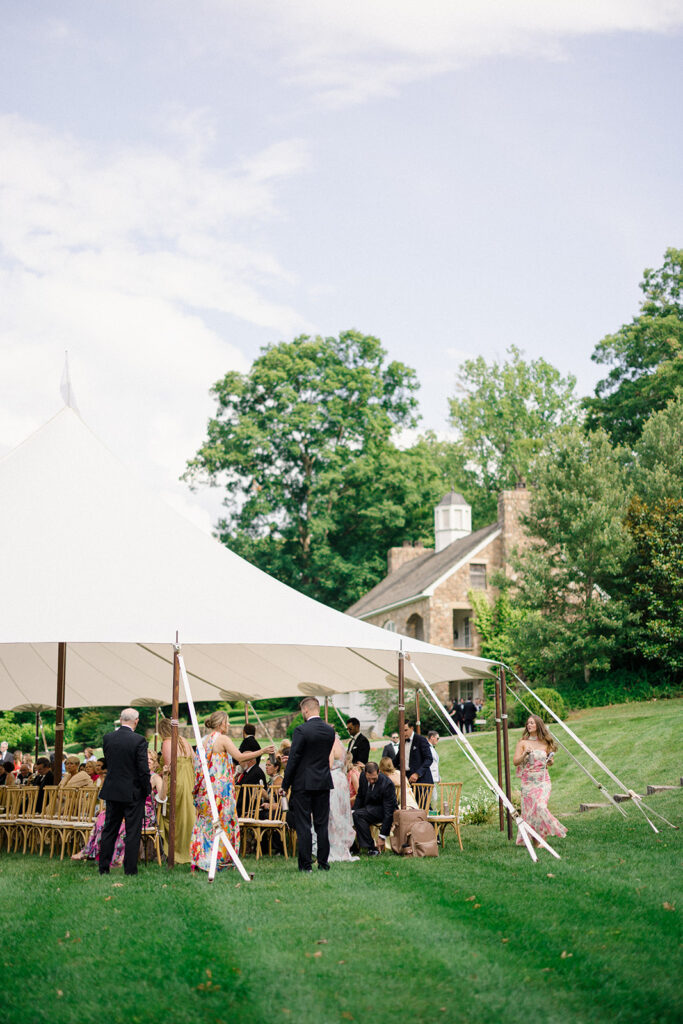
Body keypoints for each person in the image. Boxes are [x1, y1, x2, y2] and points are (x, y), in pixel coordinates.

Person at [191, 710, 274, 873]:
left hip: (206, 789)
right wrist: (262, 751)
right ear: (221, 723)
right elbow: (240, 757)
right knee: (224, 822)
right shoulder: (222, 739)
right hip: (220, 791)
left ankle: (202, 859)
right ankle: (220, 859)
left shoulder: (205, 740)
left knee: (206, 823)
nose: (228, 724)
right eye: (227, 722)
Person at [72, 750, 165, 864]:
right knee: (103, 816)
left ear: (154, 763)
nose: (148, 761)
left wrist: (165, 778)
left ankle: (118, 858)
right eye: (145, 759)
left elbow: (162, 797)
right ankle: (90, 851)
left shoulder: (155, 778)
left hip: (144, 813)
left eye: (151, 759)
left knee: (122, 824)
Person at [281, 697, 336, 873]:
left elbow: (294, 759)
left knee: (304, 825)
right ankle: (323, 863)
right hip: (323, 782)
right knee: (322, 825)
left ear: (305, 710)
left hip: (303, 783)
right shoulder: (330, 731)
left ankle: (306, 865)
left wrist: (285, 784)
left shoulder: (301, 730)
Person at [98, 708, 152, 876]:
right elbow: (143, 769)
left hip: (113, 790)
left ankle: (103, 868)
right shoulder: (139, 740)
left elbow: (111, 763)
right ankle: (130, 870)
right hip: (132, 792)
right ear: (136, 721)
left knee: (109, 829)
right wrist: (147, 789)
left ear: (121, 719)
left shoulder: (108, 738)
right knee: (132, 832)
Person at [513, 715, 567, 847]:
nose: (529, 725)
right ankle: (536, 842)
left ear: (538, 725)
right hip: (527, 783)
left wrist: (550, 761)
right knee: (530, 813)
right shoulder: (523, 743)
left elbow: (550, 762)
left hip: (543, 781)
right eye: (528, 723)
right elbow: (515, 762)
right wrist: (525, 754)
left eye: (532, 723)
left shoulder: (545, 743)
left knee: (540, 807)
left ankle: (547, 835)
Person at [158, 717, 196, 866]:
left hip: (176, 783)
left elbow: (169, 767)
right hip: (189, 781)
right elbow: (194, 760)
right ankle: (191, 849)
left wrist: (160, 772)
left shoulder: (167, 743)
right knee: (188, 815)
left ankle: (177, 851)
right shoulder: (184, 741)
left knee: (172, 815)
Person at [352, 762, 397, 856]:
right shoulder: (362, 777)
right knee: (352, 814)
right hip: (368, 808)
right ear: (365, 773)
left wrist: (382, 836)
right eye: (369, 779)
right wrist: (353, 810)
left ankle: (371, 848)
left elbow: (389, 812)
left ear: (379, 772)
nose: (371, 781)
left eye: (374, 778)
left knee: (358, 815)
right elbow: (360, 796)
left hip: (383, 810)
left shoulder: (387, 784)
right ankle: (353, 847)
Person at [326, 733, 357, 862]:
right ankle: (342, 847)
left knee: (333, 814)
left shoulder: (331, 745)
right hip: (341, 779)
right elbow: (344, 764)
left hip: (332, 780)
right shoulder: (340, 745)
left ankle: (334, 847)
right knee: (341, 812)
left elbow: (329, 765)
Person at [393, 721, 433, 785]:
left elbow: (429, 759)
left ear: (412, 728)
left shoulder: (421, 740)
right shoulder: (402, 742)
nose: (403, 733)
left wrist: (417, 774)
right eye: (401, 731)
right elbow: (397, 759)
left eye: (405, 730)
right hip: (407, 778)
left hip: (421, 780)